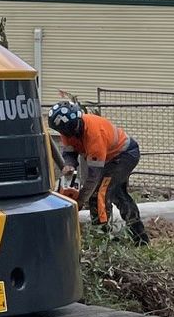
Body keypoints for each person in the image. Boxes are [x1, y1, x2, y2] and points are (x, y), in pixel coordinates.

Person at [46, 101, 148, 244]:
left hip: (124, 155)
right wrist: (69, 165)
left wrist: (80, 200)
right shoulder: (67, 131)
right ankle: (140, 238)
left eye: (65, 132)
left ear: (73, 125)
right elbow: (70, 153)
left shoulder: (94, 135)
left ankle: (101, 237)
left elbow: (93, 177)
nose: (63, 135)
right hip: (110, 157)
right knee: (118, 194)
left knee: (99, 193)